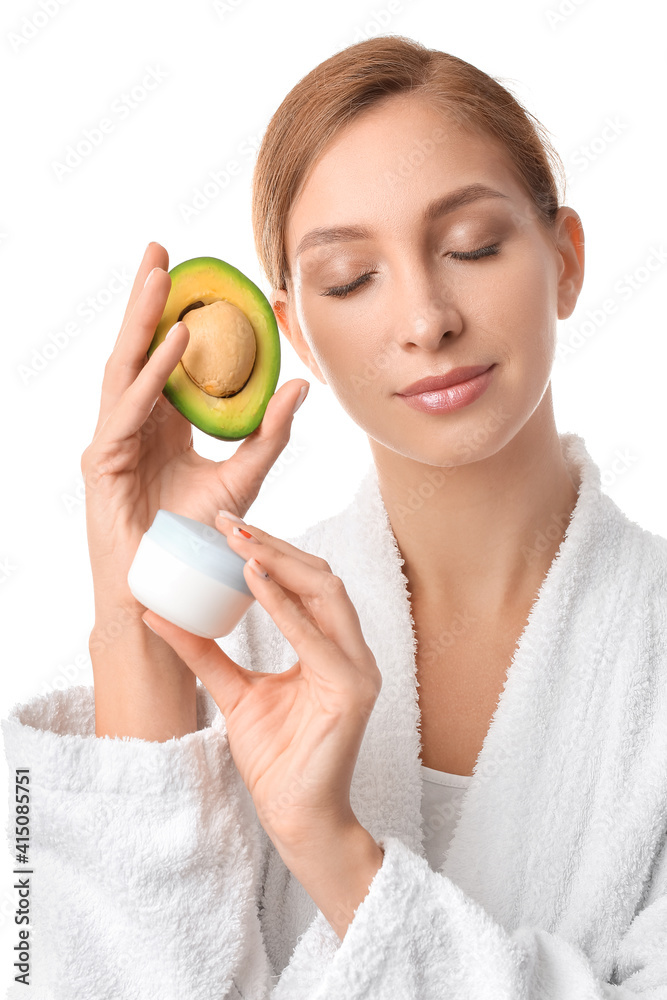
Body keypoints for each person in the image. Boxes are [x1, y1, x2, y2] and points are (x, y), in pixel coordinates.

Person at [3, 34, 666, 999]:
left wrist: (334, 849)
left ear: (564, 259)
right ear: (296, 331)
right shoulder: (243, 650)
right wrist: (137, 612)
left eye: (472, 246)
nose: (425, 317)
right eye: (352, 278)